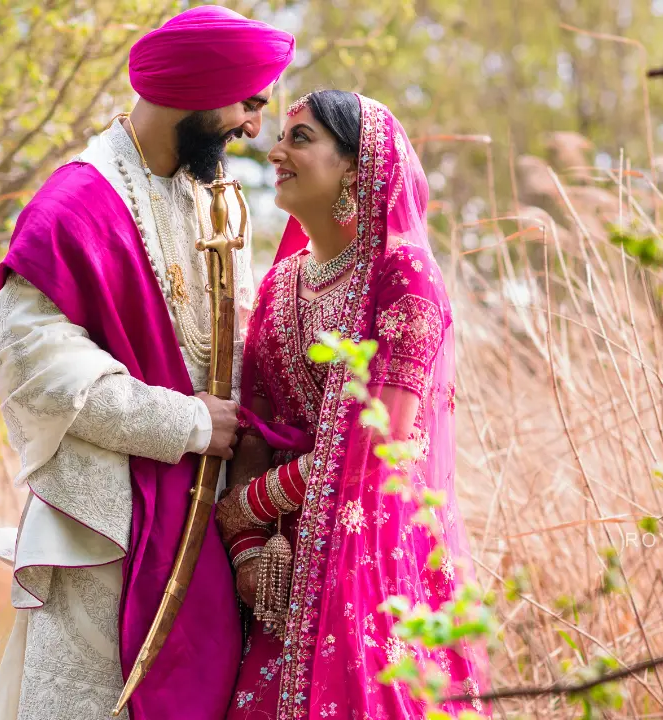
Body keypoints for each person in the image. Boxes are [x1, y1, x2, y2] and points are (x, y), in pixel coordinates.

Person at [0, 7, 296, 720]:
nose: (255, 126)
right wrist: (186, 423)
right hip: (103, 537)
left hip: (202, 533)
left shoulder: (207, 198)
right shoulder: (76, 204)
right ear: (199, 89)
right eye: (249, 102)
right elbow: (40, 372)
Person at [213, 90, 489, 719]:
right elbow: (256, 429)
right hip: (280, 574)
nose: (275, 151)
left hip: (370, 558)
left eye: (301, 139)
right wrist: (250, 551)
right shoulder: (281, 284)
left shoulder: (403, 274)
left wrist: (251, 504)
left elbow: (381, 438)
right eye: (282, 136)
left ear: (355, 170)